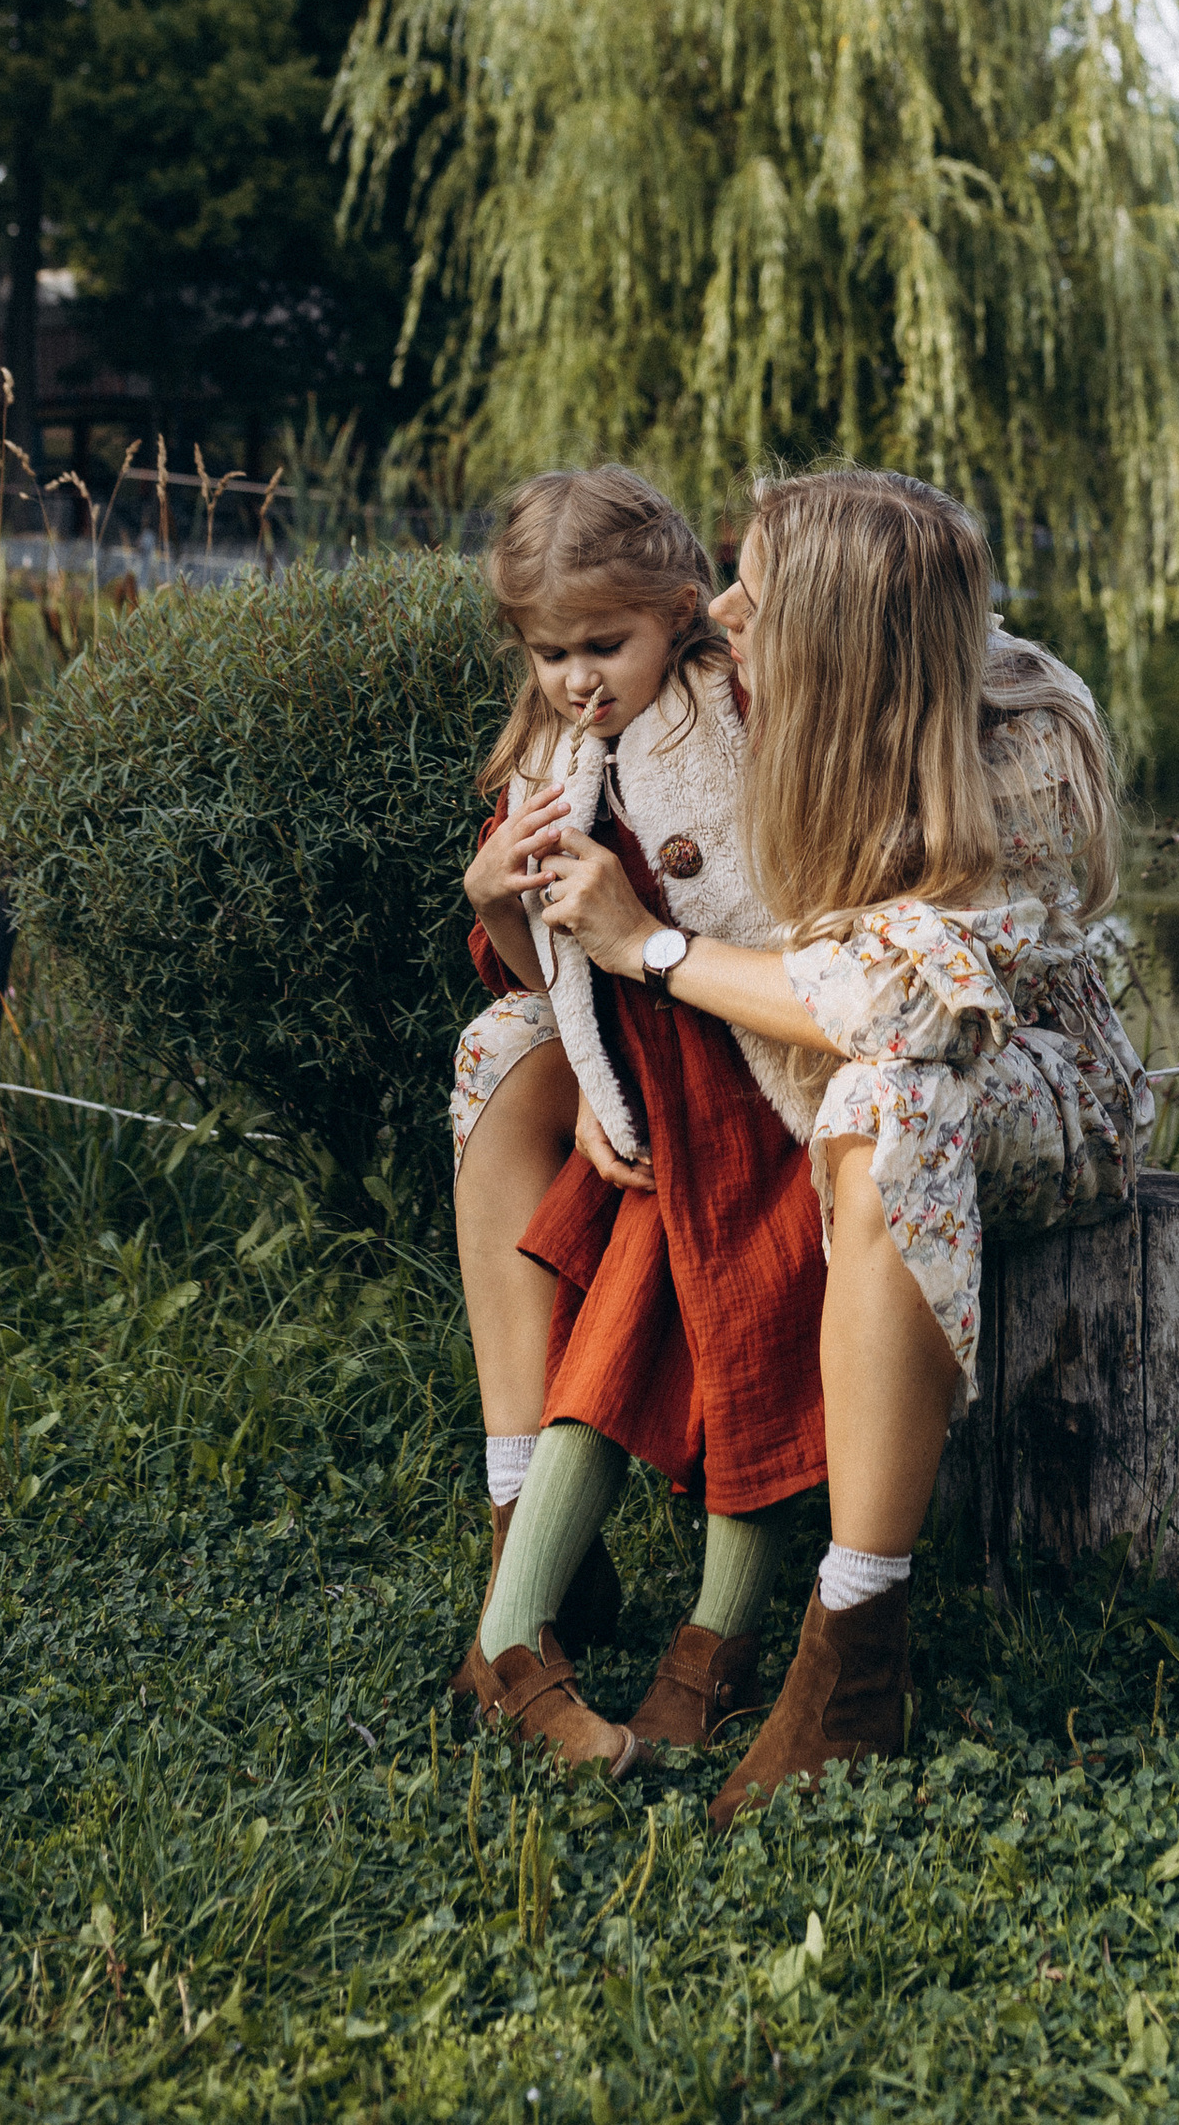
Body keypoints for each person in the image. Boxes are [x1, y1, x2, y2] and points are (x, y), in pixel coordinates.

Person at [533, 464, 1150, 1821]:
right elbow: (580, 764)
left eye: (760, 586)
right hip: (812, 1054)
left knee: (890, 1095)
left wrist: (648, 949)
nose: (725, 605)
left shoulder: (1023, 738)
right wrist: (583, 1007)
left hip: (1035, 1075)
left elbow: (903, 1007)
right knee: (502, 1056)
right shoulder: (759, 686)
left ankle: (853, 1640)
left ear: (843, 632)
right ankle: (524, 1537)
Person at [449, 467, 828, 1775]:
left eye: (603, 645)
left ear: (678, 612)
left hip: (755, 1089)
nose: (576, 679)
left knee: (756, 1349)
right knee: (608, 1350)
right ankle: (512, 1637)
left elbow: (787, 894)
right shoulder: (551, 761)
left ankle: (710, 1648)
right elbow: (522, 968)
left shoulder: (725, 711)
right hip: (651, 1111)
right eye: (550, 652)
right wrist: (495, 890)